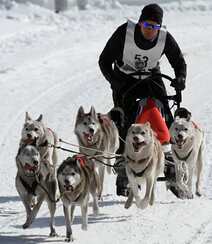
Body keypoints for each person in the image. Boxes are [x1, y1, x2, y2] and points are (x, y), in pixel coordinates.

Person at [98, 3, 187, 196]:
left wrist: (180, 78)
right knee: (125, 118)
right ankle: (123, 162)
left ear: (159, 28)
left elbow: (179, 62)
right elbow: (103, 61)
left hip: (151, 77)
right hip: (124, 78)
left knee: (164, 111)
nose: (150, 30)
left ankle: (170, 159)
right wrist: (114, 82)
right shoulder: (124, 33)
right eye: (147, 25)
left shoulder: (165, 39)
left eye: (155, 27)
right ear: (140, 23)